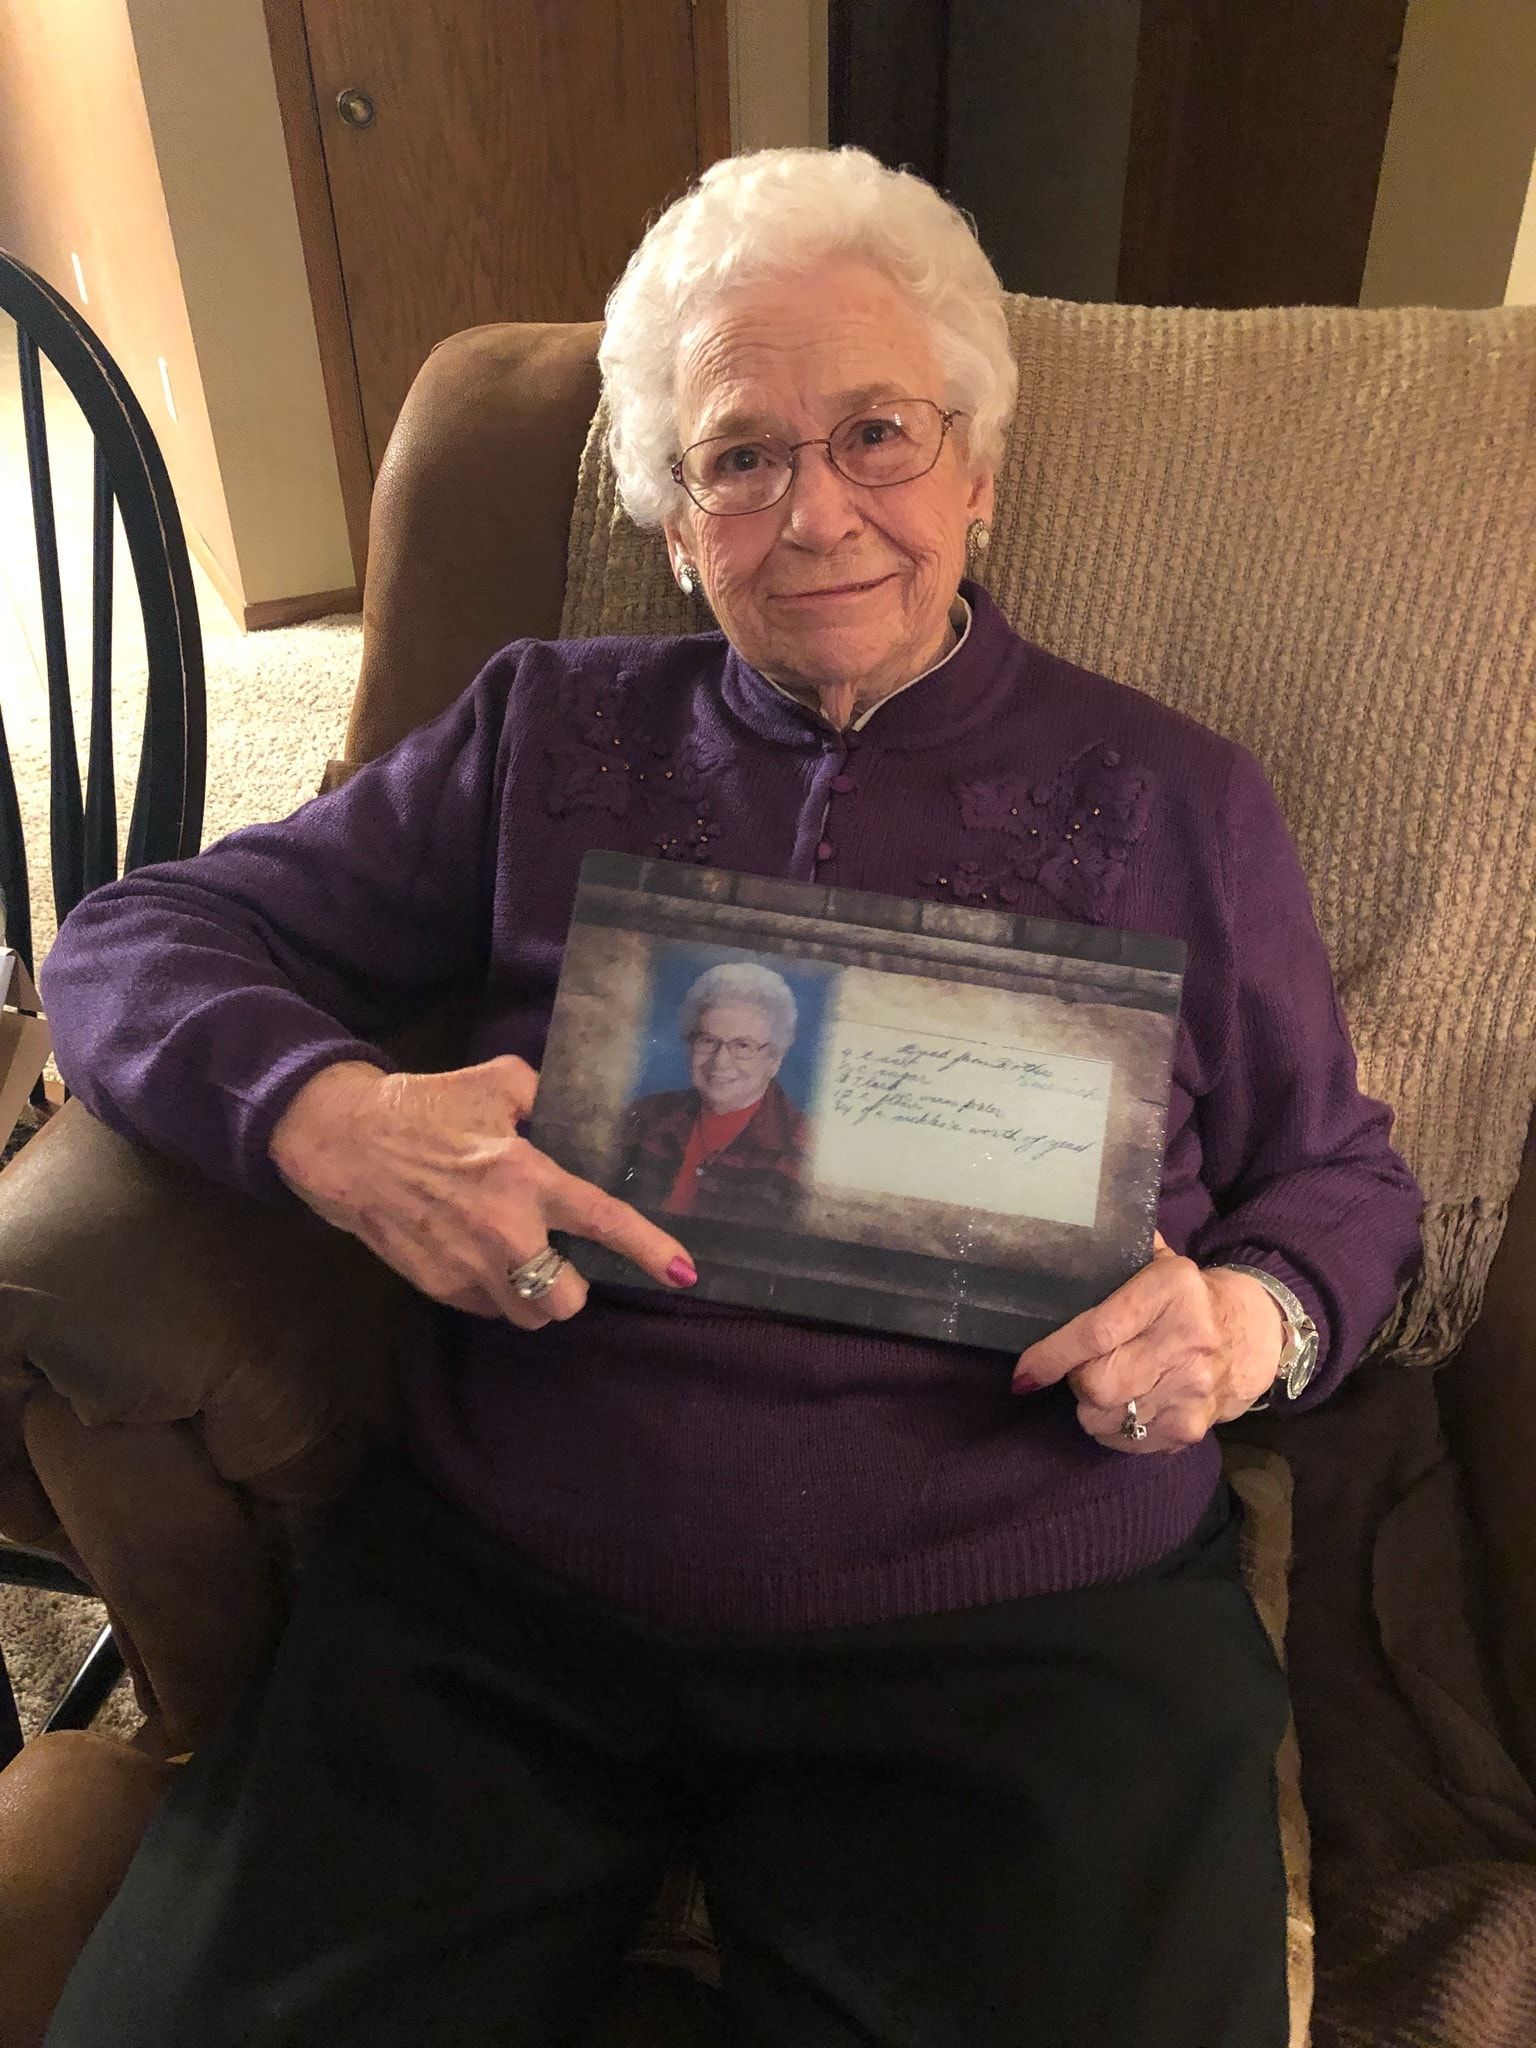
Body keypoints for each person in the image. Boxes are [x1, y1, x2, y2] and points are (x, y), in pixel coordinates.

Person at [40, 147, 1422, 2048]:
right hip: (505, 1599)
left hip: (1021, 1627)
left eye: (877, 433)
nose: (818, 513)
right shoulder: (549, 729)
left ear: (979, 465)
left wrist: (1245, 1318)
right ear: (673, 519)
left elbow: (1340, 1182)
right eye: (739, 456)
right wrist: (326, 1114)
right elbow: (134, 939)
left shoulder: (1174, 797)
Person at [620, 961, 806, 1221]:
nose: (720, 1062)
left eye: (742, 1045)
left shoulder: (801, 1147)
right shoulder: (646, 1114)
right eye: (708, 1040)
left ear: (774, 1060)